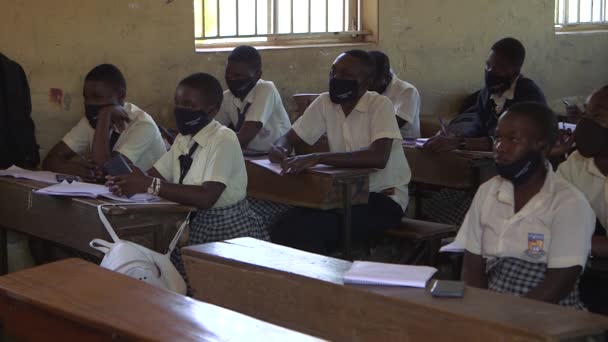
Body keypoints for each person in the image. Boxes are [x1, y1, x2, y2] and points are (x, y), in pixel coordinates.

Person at [106, 72, 267, 281]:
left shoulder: (223, 138)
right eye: (178, 103)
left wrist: (148, 184)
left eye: (189, 106)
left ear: (212, 110)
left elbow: (206, 197)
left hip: (226, 232)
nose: (181, 111)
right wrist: (128, 181)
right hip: (190, 226)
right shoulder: (183, 139)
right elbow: (153, 176)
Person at [268, 50, 410, 254]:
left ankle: (324, 281)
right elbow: (289, 138)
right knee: (283, 225)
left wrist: (317, 157)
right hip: (344, 196)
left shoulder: (379, 105)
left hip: (383, 198)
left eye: (347, 75)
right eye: (333, 72)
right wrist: (280, 148)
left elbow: (378, 157)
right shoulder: (325, 102)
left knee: (310, 231)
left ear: (366, 82)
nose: (337, 78)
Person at [459, 102, 594, 309]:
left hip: (548, 315)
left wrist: (507, 319)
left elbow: (559, 284)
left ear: (542, 145)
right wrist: (482, 311)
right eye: (498, 138)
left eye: (513, 139)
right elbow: (473, 266)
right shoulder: (488, 192)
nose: (500, 147)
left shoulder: (568, 202)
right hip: (492, 308)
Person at [42, 64, 166, 182]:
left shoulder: (142, 125)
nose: (90, 103)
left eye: (97, 97)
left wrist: (104, 116)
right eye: (86, 98)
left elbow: (110, 171)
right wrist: (80, 170)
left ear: (121, 95)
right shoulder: (90, 120)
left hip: (148, 200)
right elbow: (50, 160)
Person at [424, 37, 546, 153]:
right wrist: (453, 135)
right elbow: (477, 123)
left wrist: (460, 142)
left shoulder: (529, 97)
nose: (490, 72)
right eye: (488, 65)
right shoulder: (487, 94)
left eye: (499, 67)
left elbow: (510, 140)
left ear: (516, 71)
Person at [557, 85, 608, 314]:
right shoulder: (575, 163)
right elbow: (550, 218)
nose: (585, 124)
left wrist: (584, 241)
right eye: (586, 114)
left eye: (596, 116)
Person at [216, 45, 291, 152]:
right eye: (228, 75)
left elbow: (244, 137)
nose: (232, 80)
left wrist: (213, 144)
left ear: (257, 75)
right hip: (250, 158)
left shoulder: (266, 89)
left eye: (238, 76)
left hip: (276, 160)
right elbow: (212, 130)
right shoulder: (228, 97)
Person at [369, 50, 421, 139]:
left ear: (386, 77)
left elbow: (391, 126)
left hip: (406, 146)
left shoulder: (407, 91)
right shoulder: (366, 88)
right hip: (373, 142)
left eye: (371, 80)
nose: (366, 84)